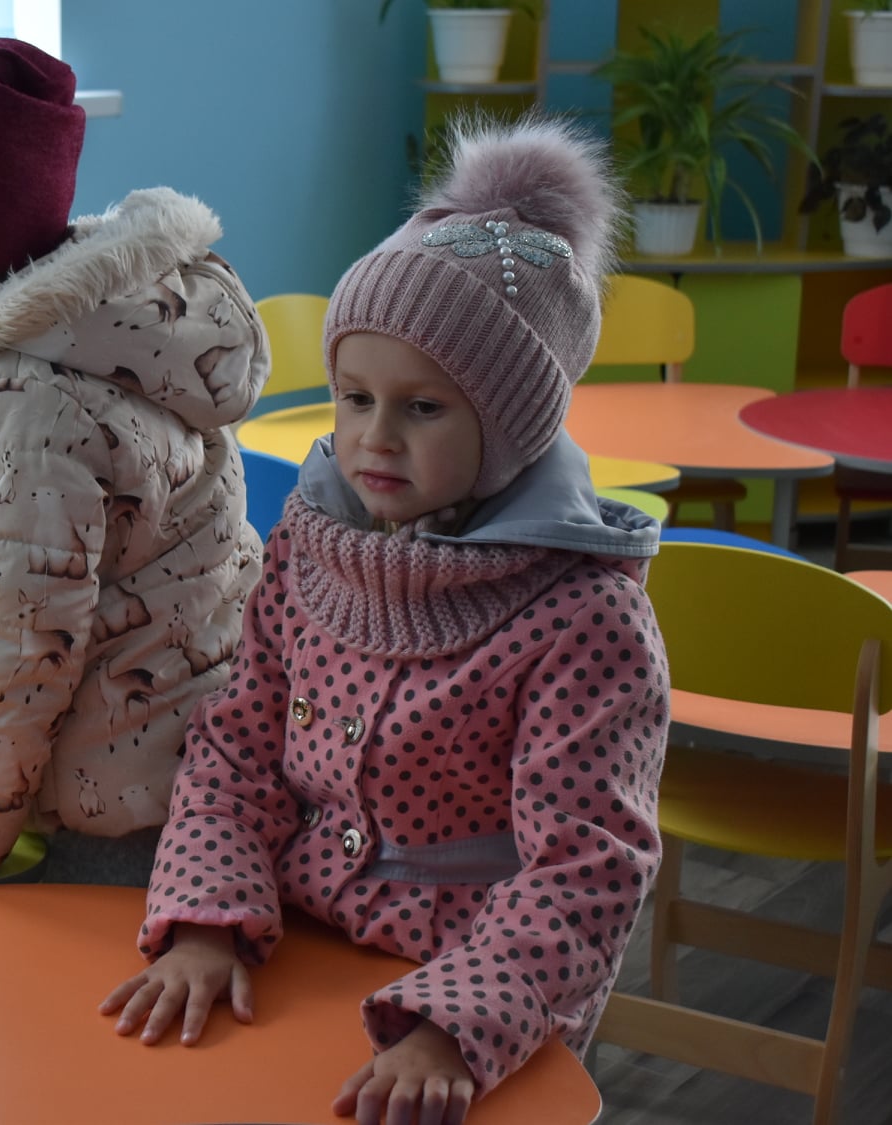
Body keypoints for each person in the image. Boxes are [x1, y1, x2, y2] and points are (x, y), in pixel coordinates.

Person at [99, 115, 670, 1125]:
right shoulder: (309, 548)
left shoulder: (589, 618)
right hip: (288, 949)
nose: (374, 437)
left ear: (514, 424)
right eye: (355, 397)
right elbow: (235, 752)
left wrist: (451, 1029)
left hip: (471, 1006)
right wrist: (206, 923)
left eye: (424, 408)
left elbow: (586, 867)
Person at [0, 39, 269, 890]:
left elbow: (21, 640)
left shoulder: (24, 403)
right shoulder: (121, 342)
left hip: (125, 808)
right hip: (204, 754)